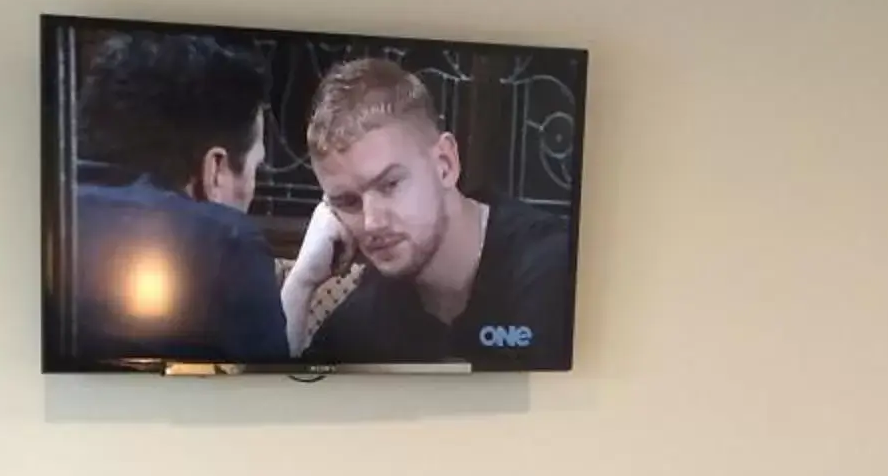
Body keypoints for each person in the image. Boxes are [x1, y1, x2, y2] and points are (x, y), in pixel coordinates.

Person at [286, 58, 575, 368]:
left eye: (390, 184)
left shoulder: (550, 269)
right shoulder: (376, 302)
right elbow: (283, 401)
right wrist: (300, 284)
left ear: (445, 164)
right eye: (348, 202)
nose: (372, 223)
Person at [70, 30, 295, 365]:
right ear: (215, 169)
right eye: (254, 169)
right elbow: (271, 399)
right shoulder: (227, 243)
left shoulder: (43, 218)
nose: (253, 188)